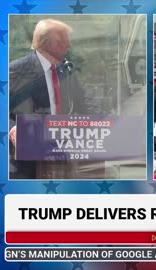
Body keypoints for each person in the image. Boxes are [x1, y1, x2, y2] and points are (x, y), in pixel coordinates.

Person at [9, 19, 98, 179]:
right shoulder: (17, 70)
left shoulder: (66, 70)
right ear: (47, 44)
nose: (68, 46)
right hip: (29, 162)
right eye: (63, 41)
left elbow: (83, 102)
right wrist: (13, 128)